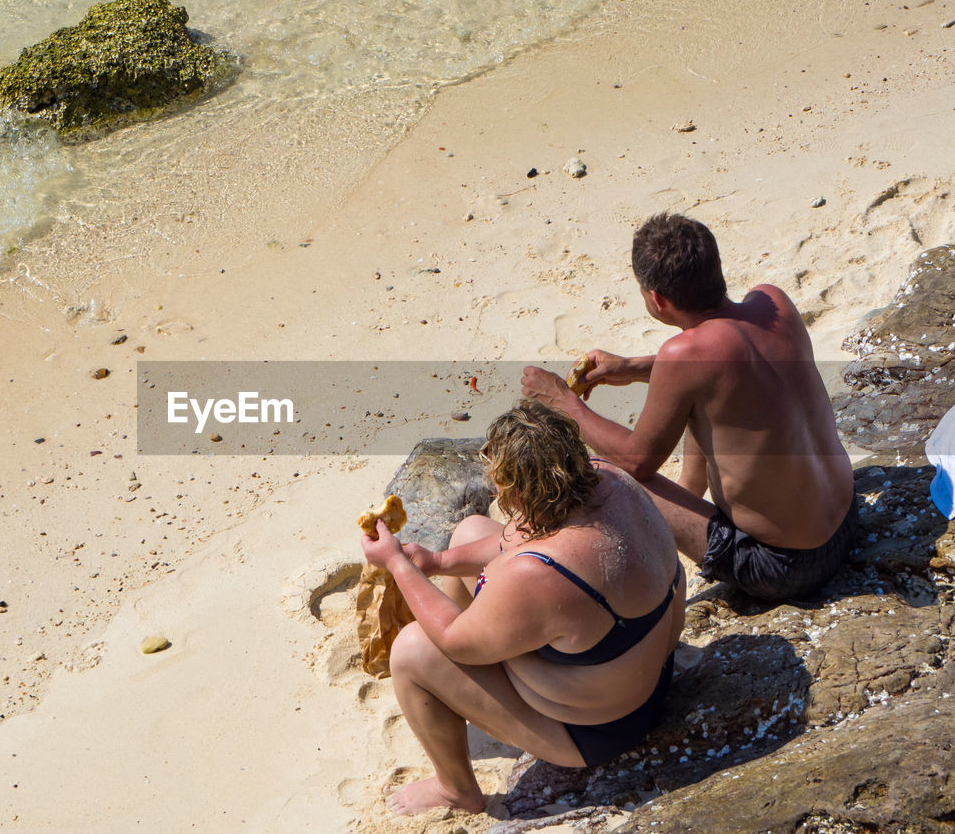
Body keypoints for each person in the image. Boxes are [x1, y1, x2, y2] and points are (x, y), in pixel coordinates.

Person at [360, 400, 683, 816]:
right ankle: (456, 689)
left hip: (601, 731)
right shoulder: (608, 479)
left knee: (412, 650)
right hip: (649, 676)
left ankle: (456, 789)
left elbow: (454, 641)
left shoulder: (541, 575)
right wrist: (437, 562)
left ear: (516, 490)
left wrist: (397, 563)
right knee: (468, 531)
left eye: (500, 485)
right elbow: (508, 542)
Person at [520, 213, 858, 602]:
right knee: (705, 407)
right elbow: (725, 369)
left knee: (606, 472)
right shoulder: (774, 302)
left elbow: (637, 462)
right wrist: (630, 368)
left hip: (782, 566)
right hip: (846, 522)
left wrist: (563, 401)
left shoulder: (684, 357)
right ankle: (688, 497)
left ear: (657, 299)